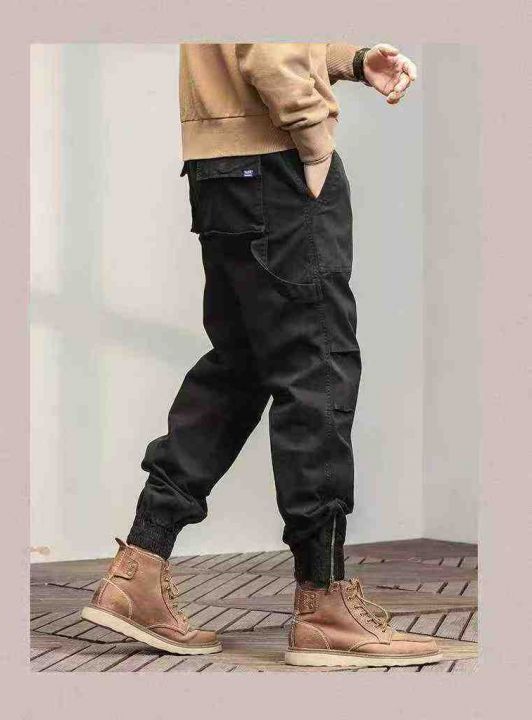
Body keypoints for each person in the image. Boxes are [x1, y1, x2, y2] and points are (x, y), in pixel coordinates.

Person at [82, 42, 442, 668]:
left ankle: (139, 567)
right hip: (275, 163)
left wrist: (347, 59)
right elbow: (269, 50)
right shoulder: (294, 139)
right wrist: (315, 139)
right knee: (317, 368)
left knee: (241, 366)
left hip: (220, 169)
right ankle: (323, 603)